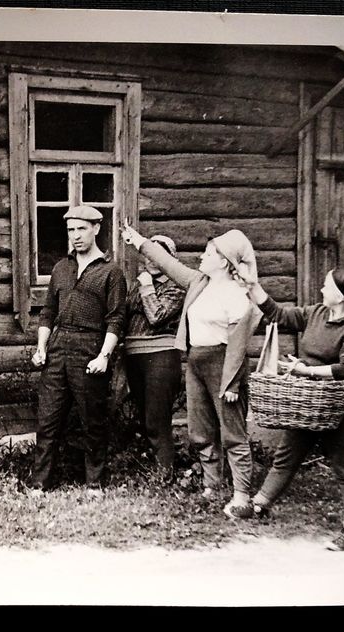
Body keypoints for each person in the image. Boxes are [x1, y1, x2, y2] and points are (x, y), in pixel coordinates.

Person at [121, 222, 262, 519]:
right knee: (200, 428)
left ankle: (241, 495)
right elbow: (166, 262)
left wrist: (233, 383)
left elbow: (238, 345)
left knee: (232, 431)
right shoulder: (199, 281)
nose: (201, 256)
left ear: (223, 262)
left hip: (223, 363)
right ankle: (213, 485)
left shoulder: (237, 294)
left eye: (208, 253)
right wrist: (138, 241)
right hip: (196, 361)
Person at [239, 266, 344, 552]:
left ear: (342, 297)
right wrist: (252, 285)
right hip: (309, 403)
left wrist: (306, 371)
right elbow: (278, 315)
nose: (321, 289)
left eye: (327, 286)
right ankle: (259, 506)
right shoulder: (316, 313)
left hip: (341, 406)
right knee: (286, 456)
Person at [30, 205, 127, 495]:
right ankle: (40, 484)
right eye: (71, 229)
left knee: (92, 420)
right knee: (48, 420)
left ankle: (94, 483)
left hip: (90, 348)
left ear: (96, 228)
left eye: (81, 228)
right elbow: (48, 312)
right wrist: (41, 348)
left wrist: (104, 356)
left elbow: (116, 319)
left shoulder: (111, 272)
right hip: (58, 348)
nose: (76, 235)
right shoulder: (61, 268)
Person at [123, 234, 186, 479]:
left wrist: (147, 286)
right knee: (144, 417)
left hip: (160, 356)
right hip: (134, 356)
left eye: (157, 255)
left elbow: (156, 317)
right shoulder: (138, 284)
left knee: (157, 419)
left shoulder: (176, 286)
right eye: (148, 255)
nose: (151, 260)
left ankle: (164, 475)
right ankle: (154, 468)